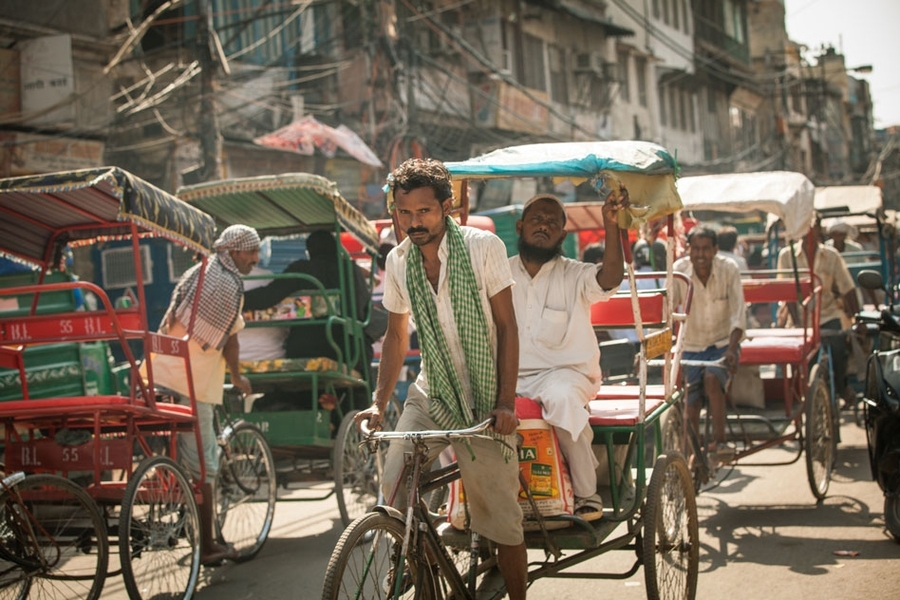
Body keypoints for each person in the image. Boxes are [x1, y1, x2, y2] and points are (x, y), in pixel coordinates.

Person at [354, 158, 527, 599]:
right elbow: (395, 337)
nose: (414, 223)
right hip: (433, 391)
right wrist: (378, 403)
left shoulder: (482, 247)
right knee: (393, 487)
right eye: (405, 213)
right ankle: (417, 557)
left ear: (446, 207)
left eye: (424, 212)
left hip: (486, 395)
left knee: (501, 518)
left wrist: (506, 403)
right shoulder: (397, 262)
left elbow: (507, 327)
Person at [510, 190, 629, 520]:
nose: (544, 226)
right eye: (537, 219)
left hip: (567, 375)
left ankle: (587, 494)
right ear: (520, 226)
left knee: (561, 400)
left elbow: (610, 278)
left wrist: (611, 225)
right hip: (511, 377)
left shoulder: (575, 274)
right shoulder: (499, 274)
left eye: (552, 222)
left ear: (563, 234)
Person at [148, 224, 258, 566]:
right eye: (251, 252)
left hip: (158, 370)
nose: (255, 259)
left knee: (176, 456)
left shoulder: (199, 272)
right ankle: (207, 546)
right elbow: (231, 339)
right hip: (192, 382)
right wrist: (238, 377)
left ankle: (181, 519)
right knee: (204, 468)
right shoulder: (227, 283)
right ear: (235, 251)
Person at [242, 230, 373, 371]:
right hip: (354, 352)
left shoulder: (302, 269)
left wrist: (235, 298)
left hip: (309, 349)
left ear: (309, 252)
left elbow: (267, 297)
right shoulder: (354, 271)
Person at [672, 227, 746, 462]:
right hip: (691, 345)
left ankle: (721, 441)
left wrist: (733, 349)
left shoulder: (729, 270)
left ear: (715, 250)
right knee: (690, 399)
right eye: (696, 249)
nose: (700, 254)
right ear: (689, 250)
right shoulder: (679, 272)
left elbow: (738, 314)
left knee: (712, 380)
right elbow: (667, 310)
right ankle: (690, 453)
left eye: (705, 249)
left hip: (723, 343)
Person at [777, 217, 859, 407]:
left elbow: (848, 288)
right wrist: (798, 324)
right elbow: (787, 292)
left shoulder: (831, 256)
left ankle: (841, 387)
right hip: (799, 317)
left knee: (839, 349)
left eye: (811, 226)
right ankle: (800, 394)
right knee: (801, 359)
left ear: (818, 229)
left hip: (827, 315)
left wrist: (856, 318)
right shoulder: (787, 255)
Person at [238, 265, 288, 361]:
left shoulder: (214, 279)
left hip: (225, 363)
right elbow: (285, 327)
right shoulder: (269, 278)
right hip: (272, 357)